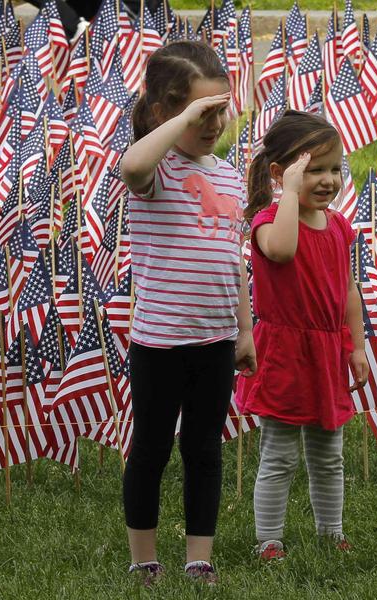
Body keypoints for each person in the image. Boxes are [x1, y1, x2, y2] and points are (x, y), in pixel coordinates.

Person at [119, 40, 256, 586]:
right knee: (151, 448)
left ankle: (199, 556)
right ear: (163, 113)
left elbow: (234, 259)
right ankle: (143, 558)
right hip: (159, 342)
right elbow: (132, 164)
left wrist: (244, 330)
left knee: (204, 450)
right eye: (201, 112)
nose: (213, 122)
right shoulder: (157, 171)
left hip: (216, 340)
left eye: (220, 110)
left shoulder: (223, 174)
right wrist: (180, 125)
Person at [237, 110, 369, 561]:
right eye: (314, 169)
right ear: (281, 173)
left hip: (328, 352)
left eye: (335, 168)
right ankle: (269, 540)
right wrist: (288, 194)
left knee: (329, 454)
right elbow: (283, 249)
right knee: (279, 456)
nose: (329, 180)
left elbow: (348, 289)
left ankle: (331, 531)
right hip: (286, 356)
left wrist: (358, 347)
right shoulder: (269, 221)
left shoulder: (338, 226)